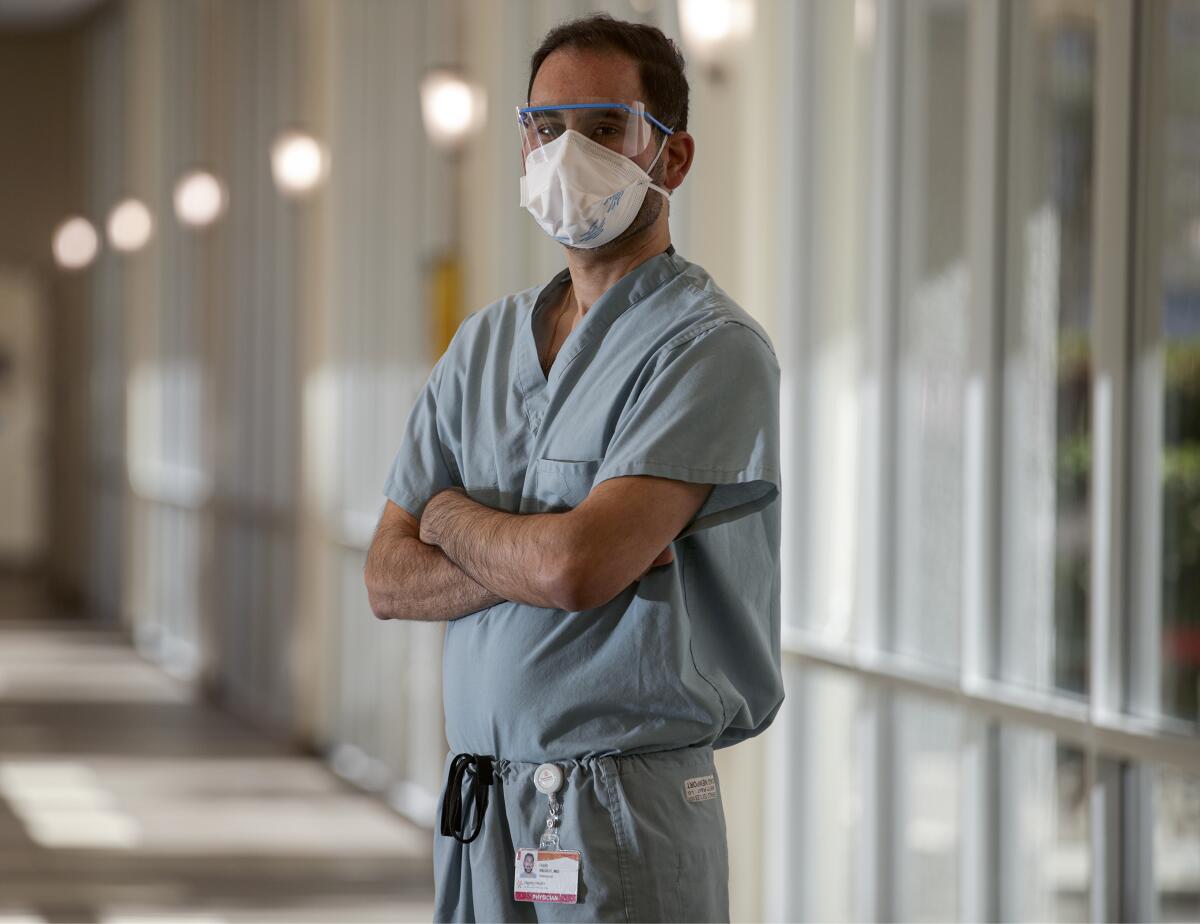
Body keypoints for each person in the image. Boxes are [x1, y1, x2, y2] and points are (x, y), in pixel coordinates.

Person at [364, 13, 782, 923]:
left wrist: (447, 520)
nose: (566, 154)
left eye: (602, 130)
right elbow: (387, 580)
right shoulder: (481, 347)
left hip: (619, 811)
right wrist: (539, 553)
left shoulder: (708, 350)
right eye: (546, 129)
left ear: (671, 159)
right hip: (479, 808)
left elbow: (576, 567)